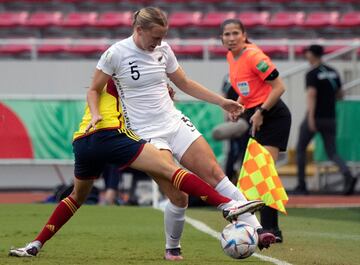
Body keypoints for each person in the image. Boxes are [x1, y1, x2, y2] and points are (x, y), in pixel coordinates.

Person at [9, 59, 265, 259]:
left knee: (76, 197)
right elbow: (141, 85)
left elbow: (112, 91)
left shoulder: (101, 88)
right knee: (171, 171)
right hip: (112, 136)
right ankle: (226, 205)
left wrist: (161, 92)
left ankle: (35, 243)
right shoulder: (119, 78)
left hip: (83, 141)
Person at [82, 7, 274, 260]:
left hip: (174, 123)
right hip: (145, 134)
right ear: (139, 30)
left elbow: (184, 83)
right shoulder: (115, 54)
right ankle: (172, 246)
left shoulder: (164, 50)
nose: (159, 43)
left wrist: (221, 102)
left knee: (216, 173)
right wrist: (96, 114)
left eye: (162, 38)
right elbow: (93, 89)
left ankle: (257, 230)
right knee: (178, 195)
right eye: (155, 37)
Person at [220, 18, 292, 243]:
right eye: (227, 34)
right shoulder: (231, 56)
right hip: (257, 116)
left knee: (263, 173)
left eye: (235, 33)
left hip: (273, 116)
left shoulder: (255, 56)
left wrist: (260, 111)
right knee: (255, 172)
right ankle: (265, 228)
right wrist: (239, 105)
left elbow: (279, 86)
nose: (231, 38)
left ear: (244, 35)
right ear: (222, 38)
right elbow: (247, 88)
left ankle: (271, 230)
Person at [293, 44, 357, 196]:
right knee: (332, 152)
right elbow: (340, 94)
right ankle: (347, 174)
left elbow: (311, 95)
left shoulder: (312, 73)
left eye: (307, 53)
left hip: (315, 117)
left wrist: (310, 118)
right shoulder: (333, 72)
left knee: (300, 149)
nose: (306, 56)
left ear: (312, 55)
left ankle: (302, 185)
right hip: (330, 118)